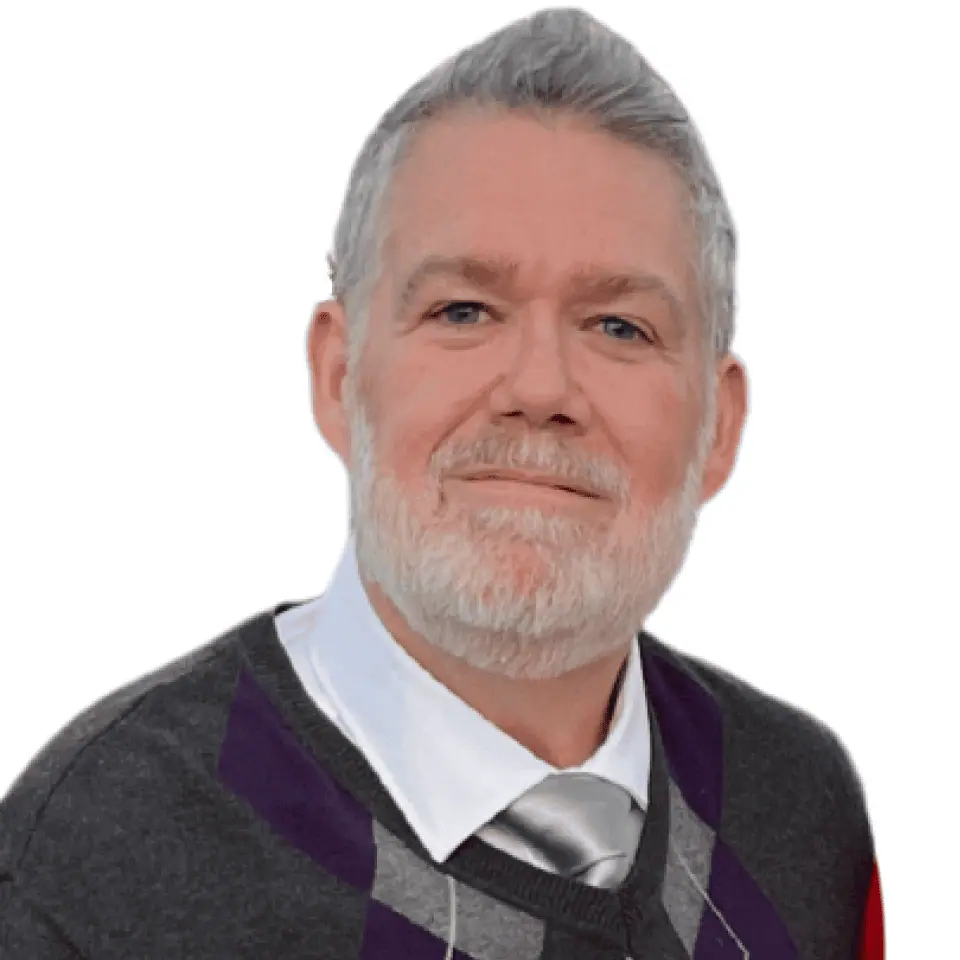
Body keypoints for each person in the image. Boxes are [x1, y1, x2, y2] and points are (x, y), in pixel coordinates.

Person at [0, 7, 883, 959]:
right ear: (340, 378)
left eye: (620, 327)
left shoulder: (799, 804)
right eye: (464, 309)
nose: (541, 388)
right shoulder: (101, 854)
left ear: (720, 425)